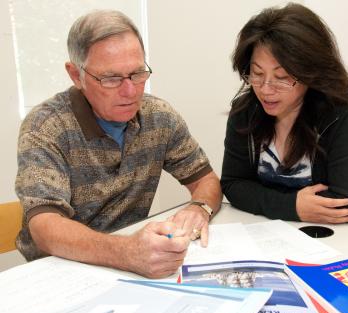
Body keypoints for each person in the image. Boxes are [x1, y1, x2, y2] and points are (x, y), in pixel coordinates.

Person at [15, 10, 222, 278]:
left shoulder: (158, 116)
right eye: (111, 78)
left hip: (129, 267)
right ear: (75, 75)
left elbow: (206, 180)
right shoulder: (46, 127)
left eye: (137, 74)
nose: (130, 91)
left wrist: (199, 208)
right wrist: (127, 252)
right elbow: (45, 228)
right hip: (58, 272)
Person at [221, 3, 348, 224]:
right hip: (267, 234)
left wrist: (264, 200)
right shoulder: (246, 111)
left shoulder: (342, 110)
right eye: (257, 74)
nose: (265, 89)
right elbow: (233, 184)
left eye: (282, 77)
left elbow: (347, 204)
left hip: (337, 237)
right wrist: (292, 206)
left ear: (310, 72)